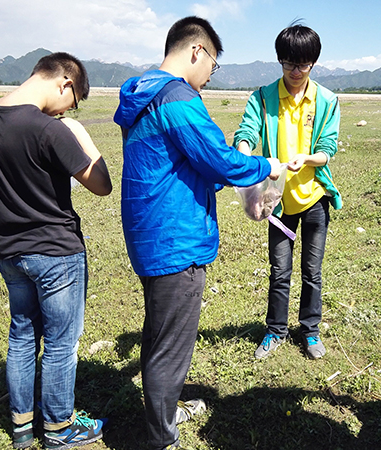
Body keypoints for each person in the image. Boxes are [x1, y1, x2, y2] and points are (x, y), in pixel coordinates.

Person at [113, 16, 282, 450]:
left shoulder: (144, 94)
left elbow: (180, 165)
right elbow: (219, 160)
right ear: (196, 51)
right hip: (176, 238)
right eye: (213, 65)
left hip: (150, 233)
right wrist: (267, 166)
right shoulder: (177, 98)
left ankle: (162, 415)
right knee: (170, 348)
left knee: (159, 336)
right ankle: (162, 436)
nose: (210, 75)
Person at [0, 53, 112, 449]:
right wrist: (81, 134)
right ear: (65, 83)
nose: (67, 110)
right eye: (73, 102)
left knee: (21, 335)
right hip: (56, 254)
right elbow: (102, 184)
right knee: (60, 343)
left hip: (9, 253)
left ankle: (21, 426)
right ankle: (58, 428)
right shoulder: (49, 130)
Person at [234, 24, 341, 360]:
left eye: (303, 64)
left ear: (314, 63)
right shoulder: (263, 97)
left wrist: (306, 159)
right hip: (276, 202)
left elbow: (328, 149)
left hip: (314, 198)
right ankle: (275, 331)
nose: (296, 71)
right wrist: (245, 153)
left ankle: (310, 330)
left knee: (312, 271)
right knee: (280, 271)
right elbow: (247, 132)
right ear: (280, 60)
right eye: (289, 64)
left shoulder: (326, 100)